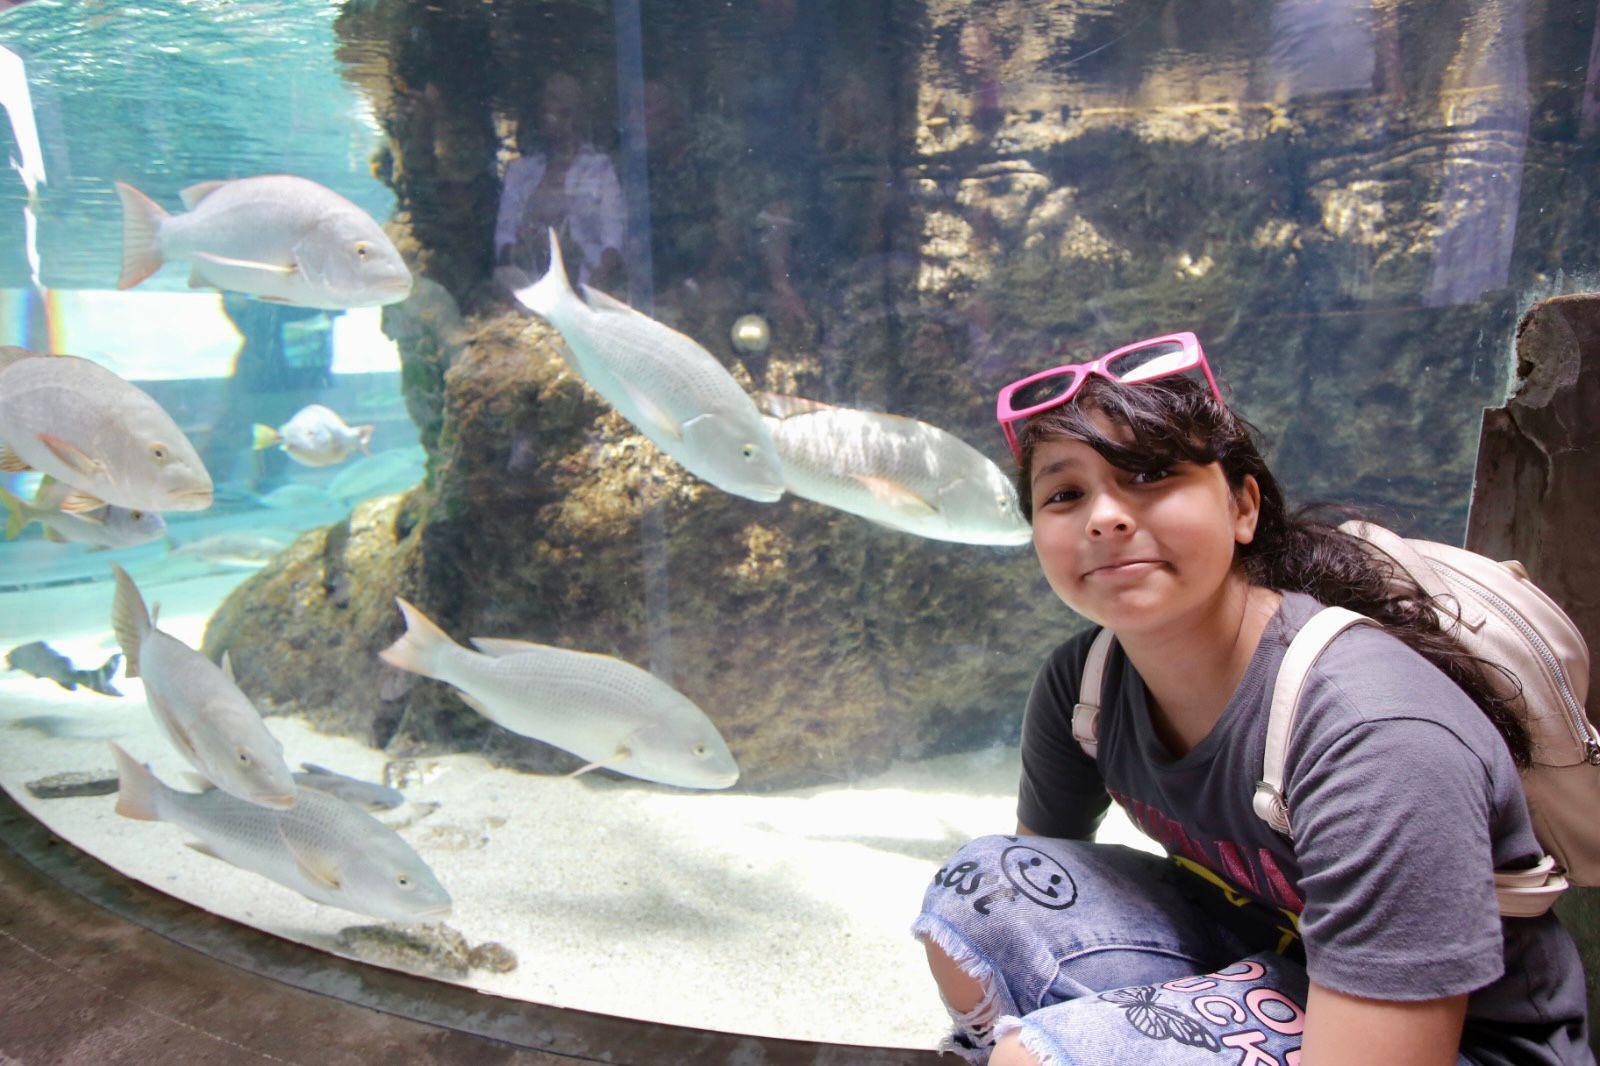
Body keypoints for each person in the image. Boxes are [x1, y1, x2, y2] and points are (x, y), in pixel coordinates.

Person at [913, 333, 1592, 1065]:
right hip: (1270, 960)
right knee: (982, 890)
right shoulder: (1086, 686)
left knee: (1038, 1057)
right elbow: (1032, 901)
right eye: (1065, 494)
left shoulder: (1371, 730)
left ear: (1243, 507)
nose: (1104, 517)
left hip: (1458, 1042)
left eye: (1151, 473)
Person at [494, 71, 625, 294]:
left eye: (564, 109)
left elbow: (614, 239)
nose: (552, 113)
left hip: (588, 286)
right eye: (548, 103)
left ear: (579, 114)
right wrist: (526, 253)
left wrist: (600, 279)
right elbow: (503, 240)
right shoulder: (520, 172)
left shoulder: (601, 168)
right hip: (529, 288)